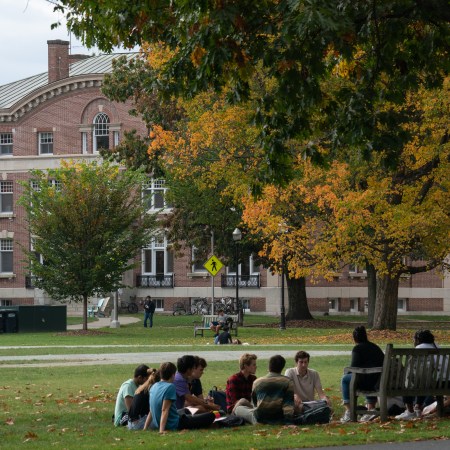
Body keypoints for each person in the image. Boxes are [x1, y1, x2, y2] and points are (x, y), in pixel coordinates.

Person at [149, 362, 216, 432]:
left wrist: (145, 427)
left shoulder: (154, 386)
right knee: (212, 415)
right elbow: (164, 410)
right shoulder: (170, 387)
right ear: (173, 375)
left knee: (188, 410)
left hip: (167, 420)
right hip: (174, 424)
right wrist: (161, 431)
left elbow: (151, 410)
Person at [340, 325, 384, 423]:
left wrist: (347, 371)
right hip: (378, 380)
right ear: (366, 336)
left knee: (345, 379)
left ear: (354, 338)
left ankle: (349, 410)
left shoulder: (357, 348)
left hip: (367, 381)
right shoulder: (375, 347)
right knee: (366, 377)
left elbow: (354, 367)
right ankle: (371, 409)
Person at [234, 354, 295, 424]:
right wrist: (288, 422)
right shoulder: (288, 382)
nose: (256, 366)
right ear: (282, 367)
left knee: (238, 409)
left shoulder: (257, 382)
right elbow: (288, 405)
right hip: (278, 417)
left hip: (260, 418)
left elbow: (255, 404)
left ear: (269, 367)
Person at [395, 329, 440, 420]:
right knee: (422, 380)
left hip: (432, 383)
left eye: (413, 340)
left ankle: (410, 411)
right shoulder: (437, 347)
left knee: (408, 382)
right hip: (443, 382)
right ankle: (418, 407)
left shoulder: (418, 349)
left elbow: (411, 369)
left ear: (418, 340)